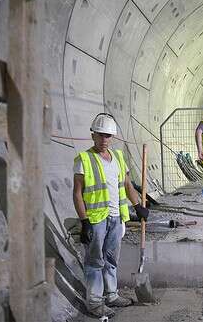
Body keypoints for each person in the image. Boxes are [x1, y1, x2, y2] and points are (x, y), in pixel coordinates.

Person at [72, 113, 149, 318]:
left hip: (115, 217)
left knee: (111, 259)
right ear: (93, 135)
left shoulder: (117, 157)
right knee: (94, 261)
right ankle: (95, 303)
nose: (105, 139)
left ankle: (112, 295)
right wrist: (84, 221)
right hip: (96, 219)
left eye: (108, 135)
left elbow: (127, 185)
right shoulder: (84, 159)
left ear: (112, 137)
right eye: (101, 135)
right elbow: (77, 193)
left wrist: (138, 205)